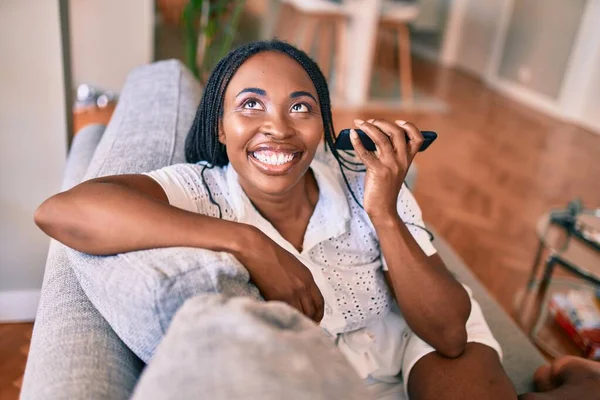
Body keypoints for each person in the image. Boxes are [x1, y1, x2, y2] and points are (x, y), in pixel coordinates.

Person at [34, 40, 515, 399]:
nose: (279, 128)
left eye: (300, 107)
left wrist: (384, 211)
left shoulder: (358, 176)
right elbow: (62, 212)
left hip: (410, 338)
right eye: (251, 104)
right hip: (323, 366)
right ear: (220, 128)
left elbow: (449, 333)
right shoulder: (203, 190)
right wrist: (247, 242)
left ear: (323, 128)